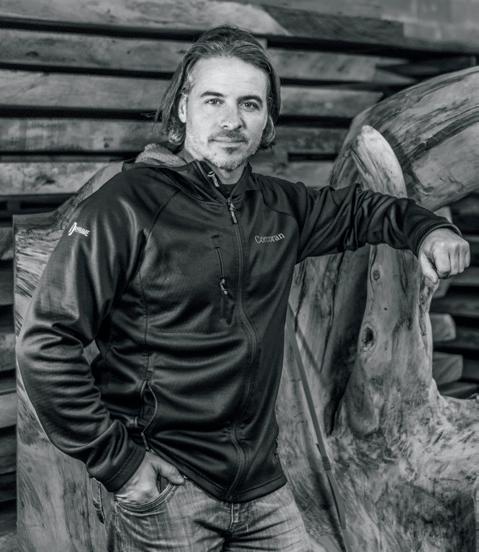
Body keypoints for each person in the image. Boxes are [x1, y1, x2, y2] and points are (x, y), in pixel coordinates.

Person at [16, 25, 470, 552]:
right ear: (183, 108)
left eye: (249, 104)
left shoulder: (277, 206)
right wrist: (119, 464)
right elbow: (46, 343)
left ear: (267, 120)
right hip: (168, 486)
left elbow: (361, 210)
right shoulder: (125, 206)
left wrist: (429, 230)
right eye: (214, 100)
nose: (231, 120)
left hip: (262, 486)